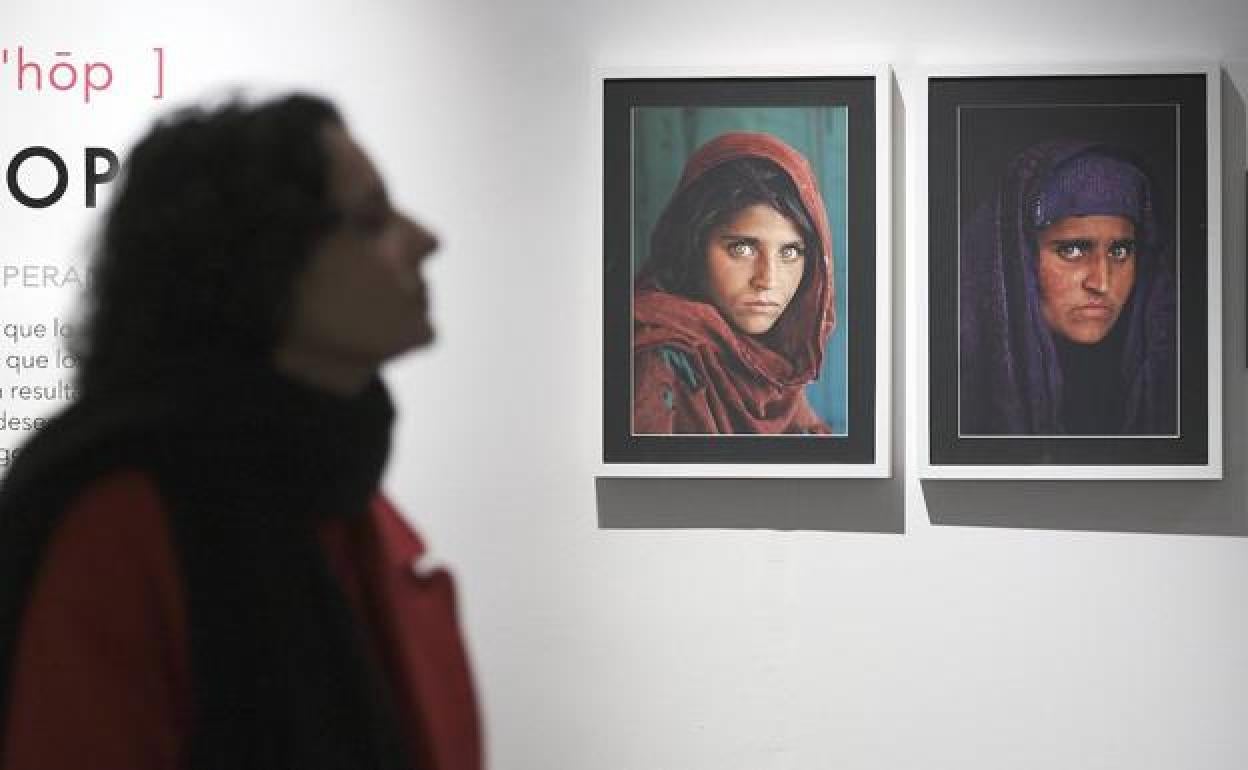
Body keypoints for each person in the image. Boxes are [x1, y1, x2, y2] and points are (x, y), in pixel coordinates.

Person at [0, 94, 481, 770]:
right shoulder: (127, 517)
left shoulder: (341, 495)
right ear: (265, 263)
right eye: (371, 220)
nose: (427, 239)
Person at [959, 140, 1177, 436]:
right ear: (1017, 257)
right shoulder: (959, 388)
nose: (1101, 283)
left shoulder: (1168, 388)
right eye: (1073, 250)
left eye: (1121, 251)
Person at [632, 131, 836, 435]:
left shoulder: (774, 369)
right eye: (742, 248)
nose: (768, 279)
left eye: (790, 252)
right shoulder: (658, 361)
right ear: (693, 245)